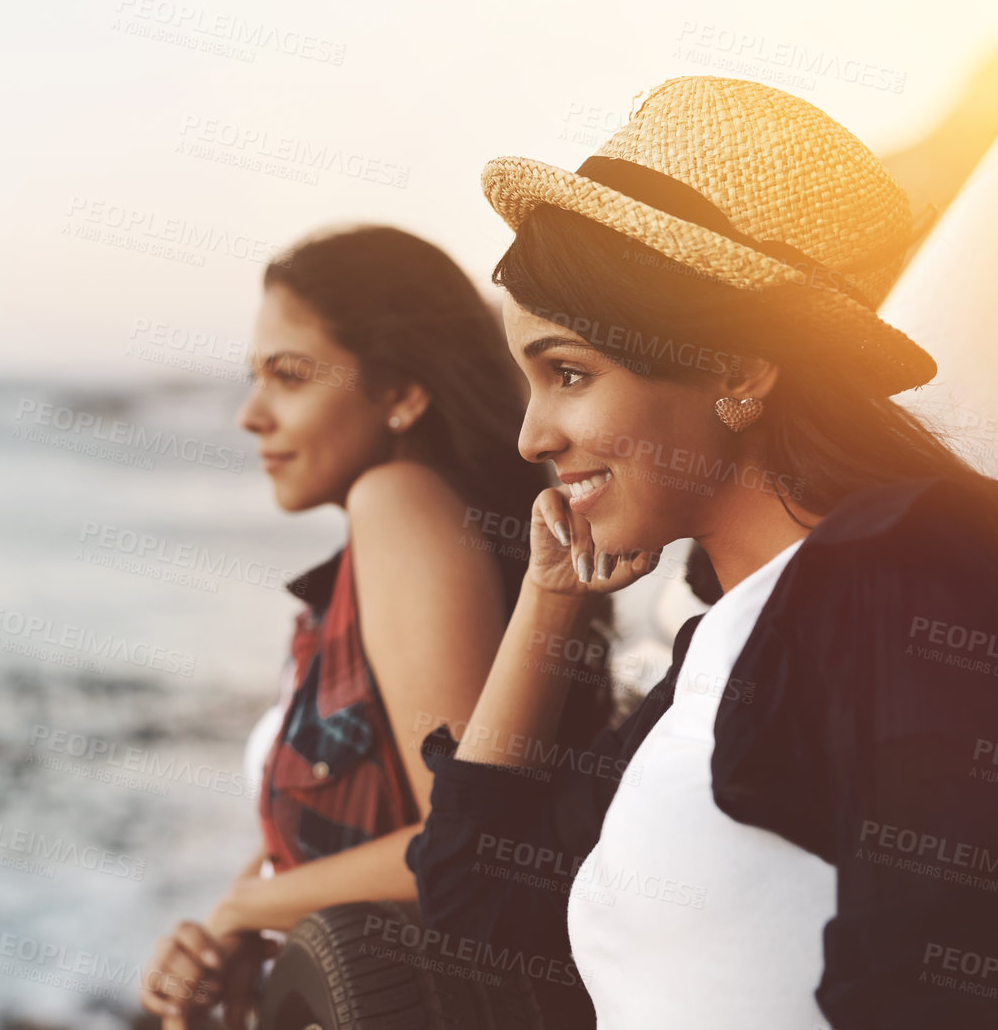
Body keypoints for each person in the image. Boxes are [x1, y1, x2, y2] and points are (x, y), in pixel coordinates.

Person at [406, 75, 998, 1029]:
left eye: (567, 373)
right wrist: (547, 599)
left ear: (736, 370)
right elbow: (480, 909)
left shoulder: (896, 580)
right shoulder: (731, 640)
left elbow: (934, 983)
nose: (530, 437)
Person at [137, 226, 609, 1027]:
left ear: (400, 392)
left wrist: (247, 906)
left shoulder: (397, 500)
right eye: (253, 378)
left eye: (288, 376)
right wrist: (244, 920)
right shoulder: (413, 526)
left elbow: (463, 837)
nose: (251, 414)